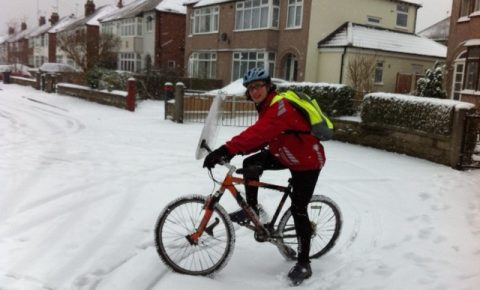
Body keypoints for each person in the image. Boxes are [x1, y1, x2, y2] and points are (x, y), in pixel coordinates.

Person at [202, 67, 326, 285]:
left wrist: (226, 149)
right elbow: (263, 136)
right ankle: (253, 209)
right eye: (251, 88)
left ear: (268, 86)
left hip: (306, 161)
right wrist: (237, 150)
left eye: (258, 86)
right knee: (251, 163)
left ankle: (304, 262)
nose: (255, 91)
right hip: (284, 153)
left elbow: (258, 133)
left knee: (299, 209)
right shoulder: (266, 107)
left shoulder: (280, 107)